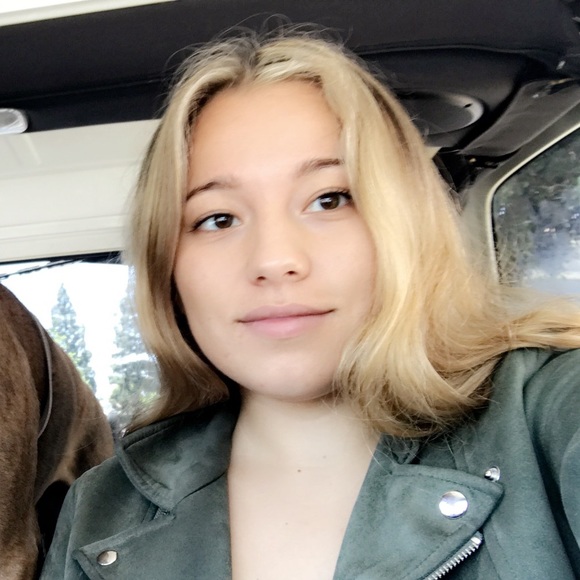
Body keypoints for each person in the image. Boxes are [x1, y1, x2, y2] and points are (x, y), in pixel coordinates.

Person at [41, 32, 580, 579]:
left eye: (330, 199)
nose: (274, 260)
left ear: (405, 224)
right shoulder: (99, 510)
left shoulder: (548, 414)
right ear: (168, 269)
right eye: (218, 219)